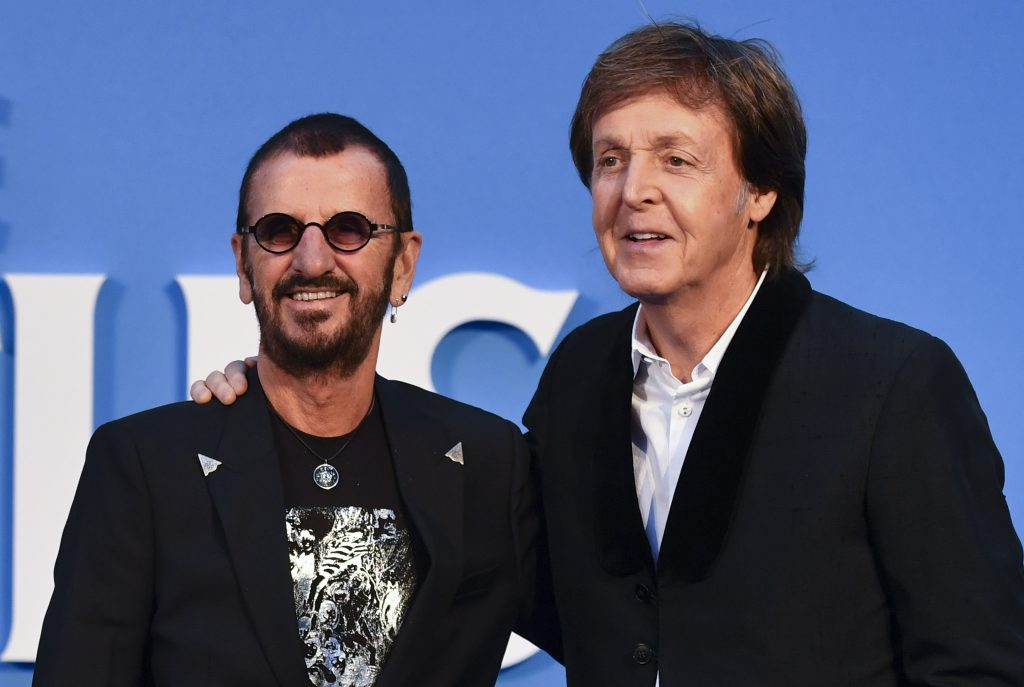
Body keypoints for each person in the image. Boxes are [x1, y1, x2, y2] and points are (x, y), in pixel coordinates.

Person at [195, 23, 1024, 687]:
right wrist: (273, 408)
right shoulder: (579, 377)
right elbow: (480, 553)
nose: (634, 192)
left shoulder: (891, 384)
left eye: (677, 159)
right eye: (610, 160)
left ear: (761, 191)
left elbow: (980, 663)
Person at [34, 113, 536, 687]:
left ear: (403, 264)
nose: (312, 260)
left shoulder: (488, 465)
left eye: (349, 229)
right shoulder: (146, 466)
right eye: (279, 231)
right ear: (243, 264)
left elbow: (610, 628)